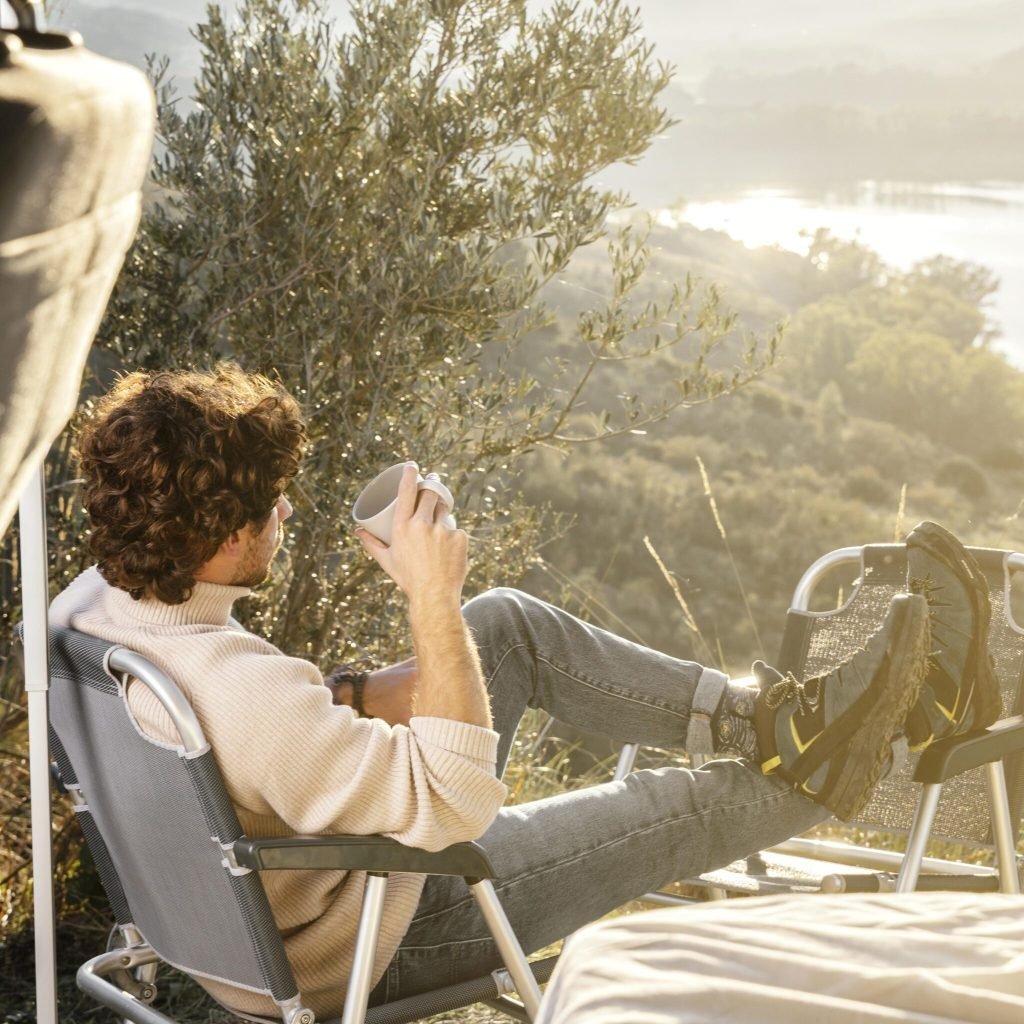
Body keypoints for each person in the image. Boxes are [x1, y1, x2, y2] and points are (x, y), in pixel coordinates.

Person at [51, 364, 999, 1020]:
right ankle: (879, 733)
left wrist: (358, 690)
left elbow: (267, 738)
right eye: (271, 504)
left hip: (256, 927)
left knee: (504, 625)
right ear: (221, 536)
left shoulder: (86, 613)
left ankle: (770, 719)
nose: (288, 509)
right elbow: (456, 806)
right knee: (666, 805)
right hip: (378, 935)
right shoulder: (241, 691)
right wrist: (430, 595)